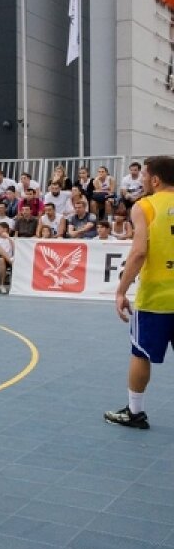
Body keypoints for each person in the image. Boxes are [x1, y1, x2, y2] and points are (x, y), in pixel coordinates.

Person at [106, 156, 174, 430]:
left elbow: (139, 252)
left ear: (155, 179)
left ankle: (135, 412)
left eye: (144, 175)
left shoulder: (144, 206)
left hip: (156, 298)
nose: (142, 179)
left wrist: (121, 290)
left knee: (141, 353)